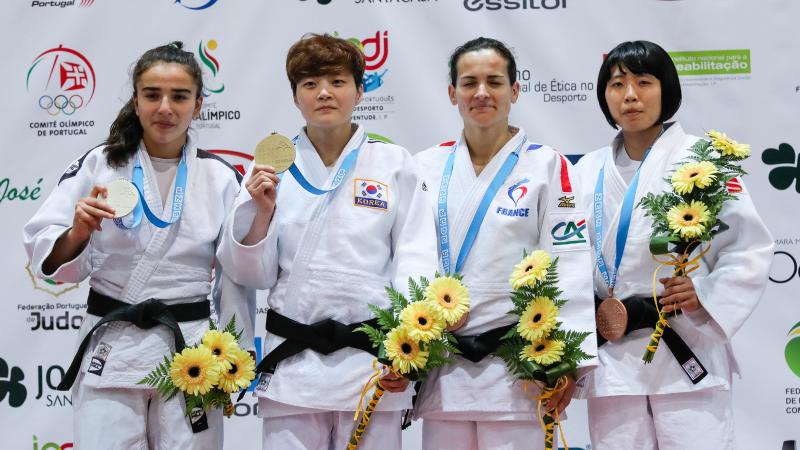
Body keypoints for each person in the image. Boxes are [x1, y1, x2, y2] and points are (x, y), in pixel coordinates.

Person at [215, 33, 438, 450]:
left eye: (337, 81)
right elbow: (250, 273)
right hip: (294, 366)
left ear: (359, 89)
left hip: (372, 362)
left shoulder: (394, 163)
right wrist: (260, 212)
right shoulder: (270, 167)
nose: (324, 93)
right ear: (295, 96)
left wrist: (410, 349)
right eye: (310, 83)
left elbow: (417, 257)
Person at [23, 42, 246, 450]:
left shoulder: (219, 177)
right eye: (152, 95)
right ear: (137, 101)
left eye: (179, 96)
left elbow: (234, 277)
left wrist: (236, 355)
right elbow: (45, 253)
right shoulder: (101, 164)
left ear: (198, 104)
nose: (165, 107)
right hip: (113, 348)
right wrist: (77, 231)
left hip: (190, 352)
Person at [573, 40, 774, 450]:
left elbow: (748, 248)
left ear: (666, 89)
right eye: (617, 84)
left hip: (685, 350)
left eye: (643, 82)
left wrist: (704, 293)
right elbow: (566, 257)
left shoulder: (703, 159)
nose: (630, 95)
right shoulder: (585, 170)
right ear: (604, 95)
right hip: (612, 359)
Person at [412, 37, 596, 450]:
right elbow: (409, 258)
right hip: (445, 364)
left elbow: (569, 264)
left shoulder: (550, 166)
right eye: (469, 82)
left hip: (519, 368)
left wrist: (564, 358)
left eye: (494, 82)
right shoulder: (423, 166)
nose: (481, 93)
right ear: (451, 93)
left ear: (515, 90)